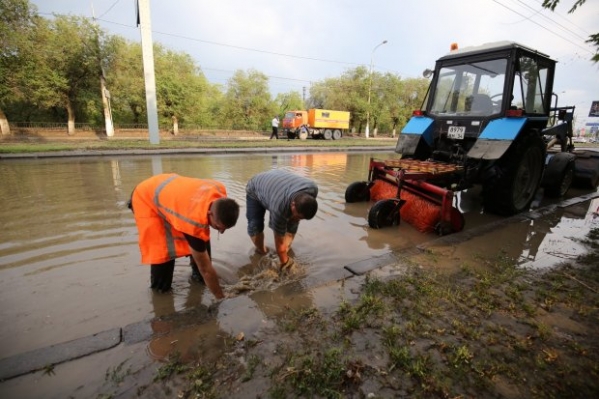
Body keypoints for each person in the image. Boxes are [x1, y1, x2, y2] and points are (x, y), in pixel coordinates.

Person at [129, 173, 240, 299]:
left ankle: (198, 279)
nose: (221, 232)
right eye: (218, 227)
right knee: (164, 250)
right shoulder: (192, 220)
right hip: (146, 198)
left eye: (225, 229)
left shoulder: (220, 192)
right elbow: (206, 269)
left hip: (170, 190)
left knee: (200, 240)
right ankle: (160, 294)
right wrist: (221, 296)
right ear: (210, 213)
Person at [245, 169, 318, 270]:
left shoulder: (312, 189)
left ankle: (285, 251)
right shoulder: (279, 207)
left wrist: (284, 252)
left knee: (292, 221)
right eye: (299, 217)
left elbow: (294, 220)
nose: (299, 220)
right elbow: (279, 243)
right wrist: (287, 265)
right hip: (256, 188)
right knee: (255, 226)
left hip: (277, 183)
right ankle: (263, 252)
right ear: (293, 205)